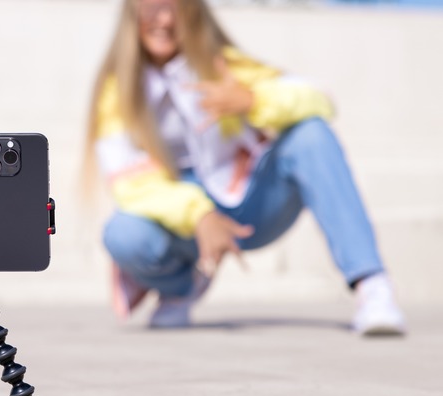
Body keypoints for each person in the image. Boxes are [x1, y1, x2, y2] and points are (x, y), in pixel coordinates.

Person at [84, 0, 406, 335]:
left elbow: (319, 99)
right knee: (122, 234)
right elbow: (129, 182)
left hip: (251, 205)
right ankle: (179, 288)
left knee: (311, 135)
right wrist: (199, 215)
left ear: (192, 13)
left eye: (174, 8)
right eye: (151, 9)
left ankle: (372, 284)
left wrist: (254, 101)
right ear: (132, 16)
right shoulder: (116, 92)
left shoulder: (223, 65)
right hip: (187, 222)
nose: (163, 19)